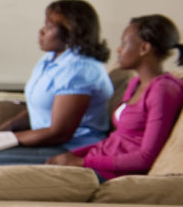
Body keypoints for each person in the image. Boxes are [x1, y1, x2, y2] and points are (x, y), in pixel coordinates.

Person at [0, 0, 113, 166]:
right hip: (46, 142)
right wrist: (7, 127)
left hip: (70, 148)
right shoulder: (49, 60)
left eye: (49, 27)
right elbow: (38, 108)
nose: (41, 31)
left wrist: (4, 140)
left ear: (71, 33)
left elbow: (59, 133)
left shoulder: (80, 70)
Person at [48, 14, 183, 179]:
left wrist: (81, 162)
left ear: (144, 49)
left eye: (124, 43)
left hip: (110, 173)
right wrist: (73, 156)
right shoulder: (135, 83)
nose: (118, 49)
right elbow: (117, 139)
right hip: (96, 162)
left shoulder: (163, 90)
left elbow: (145, 158)